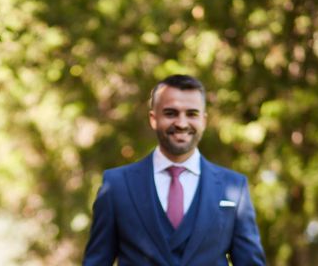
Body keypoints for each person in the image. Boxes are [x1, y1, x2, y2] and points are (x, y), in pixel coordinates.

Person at [83, 74, 266, 265]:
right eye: (171, 113)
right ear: (153, 119)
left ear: (203, 120)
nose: (181, 123)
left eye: (191, 114)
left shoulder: (234, 187)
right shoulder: (117, 185)